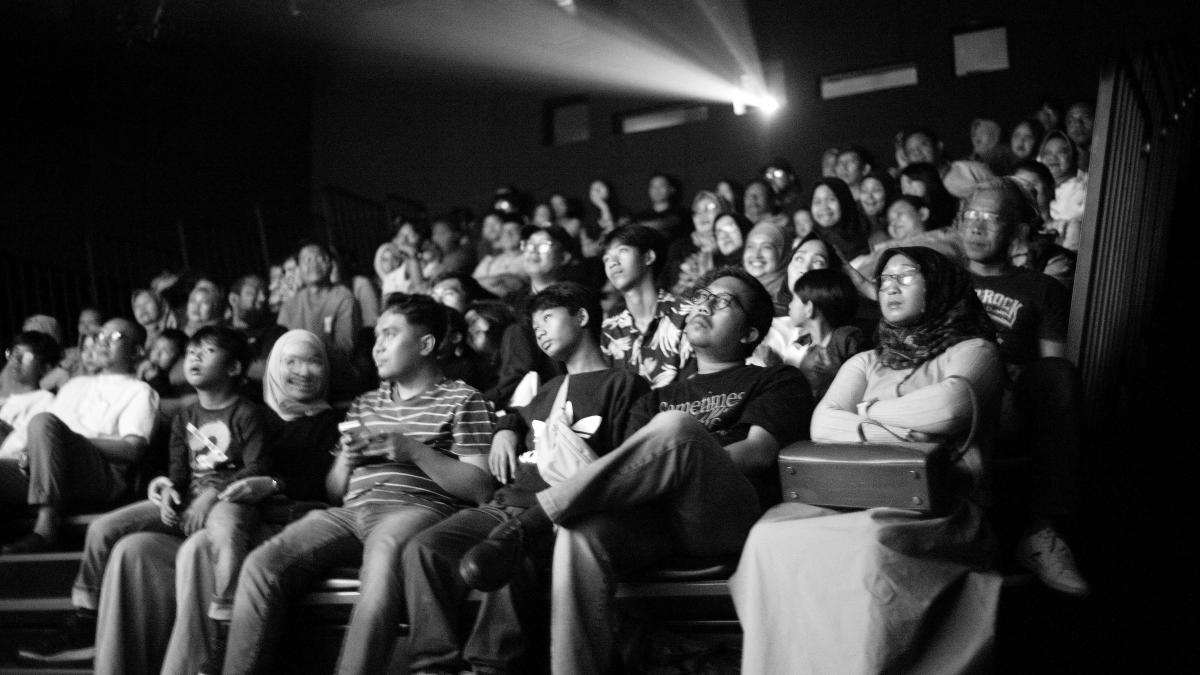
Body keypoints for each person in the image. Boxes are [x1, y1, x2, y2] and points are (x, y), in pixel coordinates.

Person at [460, 267, 811, 674]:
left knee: (678, 429)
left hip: (723, 514)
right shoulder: (656, 397)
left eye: (723, 302)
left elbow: (757, 453)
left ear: (749, 333)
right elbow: (634, 466)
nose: (704, 306)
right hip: (659, 521)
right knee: (578, 533)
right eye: (702, 297)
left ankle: (530, 524)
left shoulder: (776, 379)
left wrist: (685, 454)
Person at [731, 246, 1005, 673]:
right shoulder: (867, 360)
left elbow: (951, 408)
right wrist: (910, 429)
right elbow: (823, 424)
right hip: (849, 491)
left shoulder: (975, 351)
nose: (890, 287)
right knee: (768, 538)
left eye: (906, 276)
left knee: (869, 548)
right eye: (884, 280)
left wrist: (863, 414)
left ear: (938, 285)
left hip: (935, 503)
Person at [220, 293, 495, 675]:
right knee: (262, 563)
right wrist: (345, 461)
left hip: (416, 508)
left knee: (381, 562)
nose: (377, 346)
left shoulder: (463, 399)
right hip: (350, 512)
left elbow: (481, 488)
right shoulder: (366, 403)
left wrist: (412, 450)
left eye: (390, 334)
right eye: (377, 336)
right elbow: (336, 491)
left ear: (425, 344)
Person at [403, 282, 649, 674]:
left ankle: (491, 666)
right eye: (535, 327)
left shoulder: (626, 385)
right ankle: (432, 666)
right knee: (424, 548)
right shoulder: (549, 389)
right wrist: (505, 429)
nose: (540, 331)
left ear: (582, 317)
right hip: (504, 503)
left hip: (553, 511)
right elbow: (517, 414)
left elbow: (629, 464)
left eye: (548, 318)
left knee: (508, 554)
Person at [81, 330, 343, 675]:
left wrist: (271, 485)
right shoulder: (246, 411)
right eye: (291, 361)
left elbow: (324, 489)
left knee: (200, 549)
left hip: (277, 524)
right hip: (216, 515)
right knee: (133, 550)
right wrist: (162, 484)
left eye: (314, 361)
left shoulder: (332, 422)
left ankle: (200, 662)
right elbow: (186, 465)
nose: (303, 371)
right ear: (273, 367)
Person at [18, 326, 265, 666]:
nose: (194, 356)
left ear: (233, 367)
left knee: (224, 530)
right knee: (102, 529)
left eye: (207, 351)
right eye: (191, 351)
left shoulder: (247, 413)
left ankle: (225, 625)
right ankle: (86, 617)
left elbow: (257, 467)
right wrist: (168, 490)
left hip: (226, 502)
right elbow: (179, 473)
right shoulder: (184, 417)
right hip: (188, 501)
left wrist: (213, 496)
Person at [959, 178, 1089, 596]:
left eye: (990, 217)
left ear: (1016, 229)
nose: (977, 226)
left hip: (1012, 399)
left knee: (1058, 375)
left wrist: (1012, 376)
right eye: (971, 215)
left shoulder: (1041, 288)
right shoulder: (944, 281)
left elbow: (1051, 363)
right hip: (951, 392)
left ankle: (1041, 533)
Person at [0, 317, 159, 554]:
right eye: (100, 336)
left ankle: (46, 526)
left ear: (136, 351)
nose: (103, 341)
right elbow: (37, 436)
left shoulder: (139, 391)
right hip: (47, 467)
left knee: (44, 422)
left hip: (98, 472)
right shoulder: (75, 385)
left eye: (115, 337)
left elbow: (133, 449)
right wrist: (29, 452)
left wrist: (63, 443)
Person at [599, 225, 692, 389]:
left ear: (648, 257)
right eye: (606, 259)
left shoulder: (685, 314)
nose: (612, 262)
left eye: (622, 251)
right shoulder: (610, 331)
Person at [277, 242, 362, 397]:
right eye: (307, 260)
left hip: (333, 379)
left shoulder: (343, 297)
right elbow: (279, 348)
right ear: (298, 269)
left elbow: (344, 349)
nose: (314, 264)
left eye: (319, 258)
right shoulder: (290, 304)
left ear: (330, 264)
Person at [0, 332, 61, 460]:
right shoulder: (6, 401)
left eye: (26, 357)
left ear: (45, 368)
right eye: (13, 354)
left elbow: (24, 444)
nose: (15, 361)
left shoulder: (46, 401)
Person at [227, 274, 286, 391]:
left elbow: (272, 371)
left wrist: (226, 363)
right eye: (253, 293)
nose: (262, 298)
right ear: (234, 299)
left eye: (265, 293)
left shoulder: (276, 332)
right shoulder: (218, 330)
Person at [1037, 130, 1087, 251]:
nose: (1052, 157)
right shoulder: (1037, 188)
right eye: (1047, 153)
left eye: (1062, 152)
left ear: (1073, 157)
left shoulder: (1081, 189)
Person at [809, 177, 869, 262]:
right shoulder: (810, 246)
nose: (824, 207)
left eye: (831, 199)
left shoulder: (869, 234)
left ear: (844, 202)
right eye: (817, 202)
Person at [472, 213, 527, 297]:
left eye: (514, 231)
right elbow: (471, 284)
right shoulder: (489, 260)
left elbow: (516, 284)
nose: (508, 235)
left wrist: (486, 283)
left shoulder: (530, 259)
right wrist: (498, 280)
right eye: (504, 231)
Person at [742, 220, 790, 301]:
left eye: (766, 247)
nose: (756, 254)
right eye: (750, 246)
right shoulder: (737, 287)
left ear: (783, 253)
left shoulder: (787, 296)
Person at [857, 170, 898, 247]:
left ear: (888, 193)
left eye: (876, 190)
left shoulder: (898, 221)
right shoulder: (853, 222)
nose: (869, 197)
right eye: (864, 191)